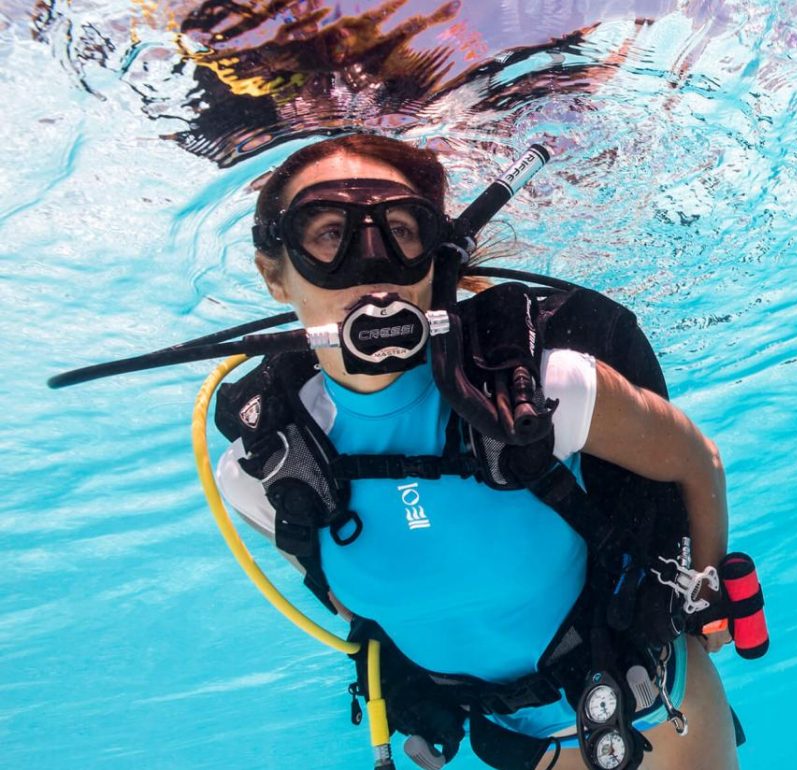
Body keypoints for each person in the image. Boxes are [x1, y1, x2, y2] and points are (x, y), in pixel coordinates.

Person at [212, 133, 742, 770]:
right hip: (514, 739)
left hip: (653, 708)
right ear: (274, 274)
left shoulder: (544, 391)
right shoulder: (262, 471)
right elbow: (352, 600)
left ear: (435, 257)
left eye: (400, 230)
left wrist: (704, 599)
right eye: (328, 233)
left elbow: (697, 461)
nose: (371, 264)